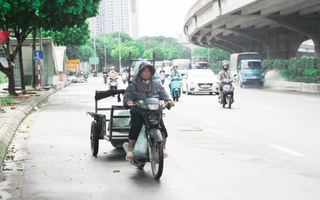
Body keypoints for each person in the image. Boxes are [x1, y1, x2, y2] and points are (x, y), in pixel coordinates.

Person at [123, 62, 175, 161]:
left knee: (162, 128)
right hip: (139, 112)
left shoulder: (156, 84)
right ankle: (131, 149)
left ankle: (163, 148)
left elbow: (163, 94)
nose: (146, 73)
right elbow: (128, 96)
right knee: (136, 126)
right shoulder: (133, 85)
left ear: (151, 73)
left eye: (148, 71)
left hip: (154, 112)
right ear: (140, 72)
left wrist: (169, 101)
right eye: (144, 71)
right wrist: (128, 101)